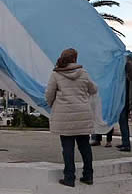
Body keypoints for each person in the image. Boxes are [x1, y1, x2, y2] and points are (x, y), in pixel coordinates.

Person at [45, 48, 97, 188]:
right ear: (75, 58)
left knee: (67, 148)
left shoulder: (56, 74)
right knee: (85, 147)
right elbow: (94, 89)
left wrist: (52, 105)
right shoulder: (84, 73)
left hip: (64, 116)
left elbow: (49, 94)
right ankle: (88, 176)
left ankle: (69, 178)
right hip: (82, 115)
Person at [117, 77, 131, 152]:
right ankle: (125, 142)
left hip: (124, 104)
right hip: (124, 103)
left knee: (123, 124)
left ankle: (126, 144)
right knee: (123, 124)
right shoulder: (125, 79)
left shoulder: (125, 80)